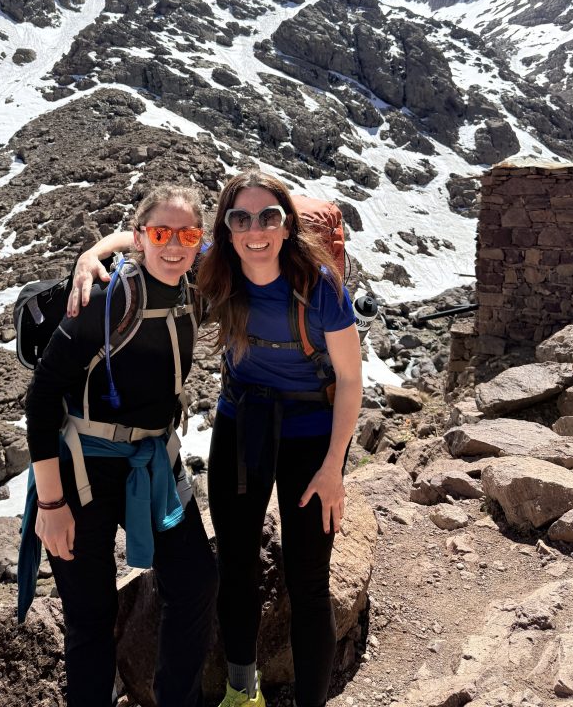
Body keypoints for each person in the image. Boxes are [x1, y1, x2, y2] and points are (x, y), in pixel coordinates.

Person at [72, 172, 363, 707]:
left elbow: (349, 380)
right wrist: (92, 254)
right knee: (236, 561)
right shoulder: (217, 263)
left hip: (310, 434)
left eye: (269, 217)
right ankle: (240, 688)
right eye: (241, 218)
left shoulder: (319, 286)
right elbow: (145, 234)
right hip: (241, 421)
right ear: (226, 230)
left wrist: (332, 469)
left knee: (308, 578)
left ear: (287, 225)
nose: (256, 230)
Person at [24, 183, 218, 707]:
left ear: (199, 241)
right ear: (141, 237)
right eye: (160, 233)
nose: (174, 245)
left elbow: (254, 244)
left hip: (155, 459)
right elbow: (41, 398)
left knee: (196, 580)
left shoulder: (193, 284)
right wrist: (50, 503)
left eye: (187, 233)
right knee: (91, 616)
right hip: (82, 470)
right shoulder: (105, 298)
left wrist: (98, 246)